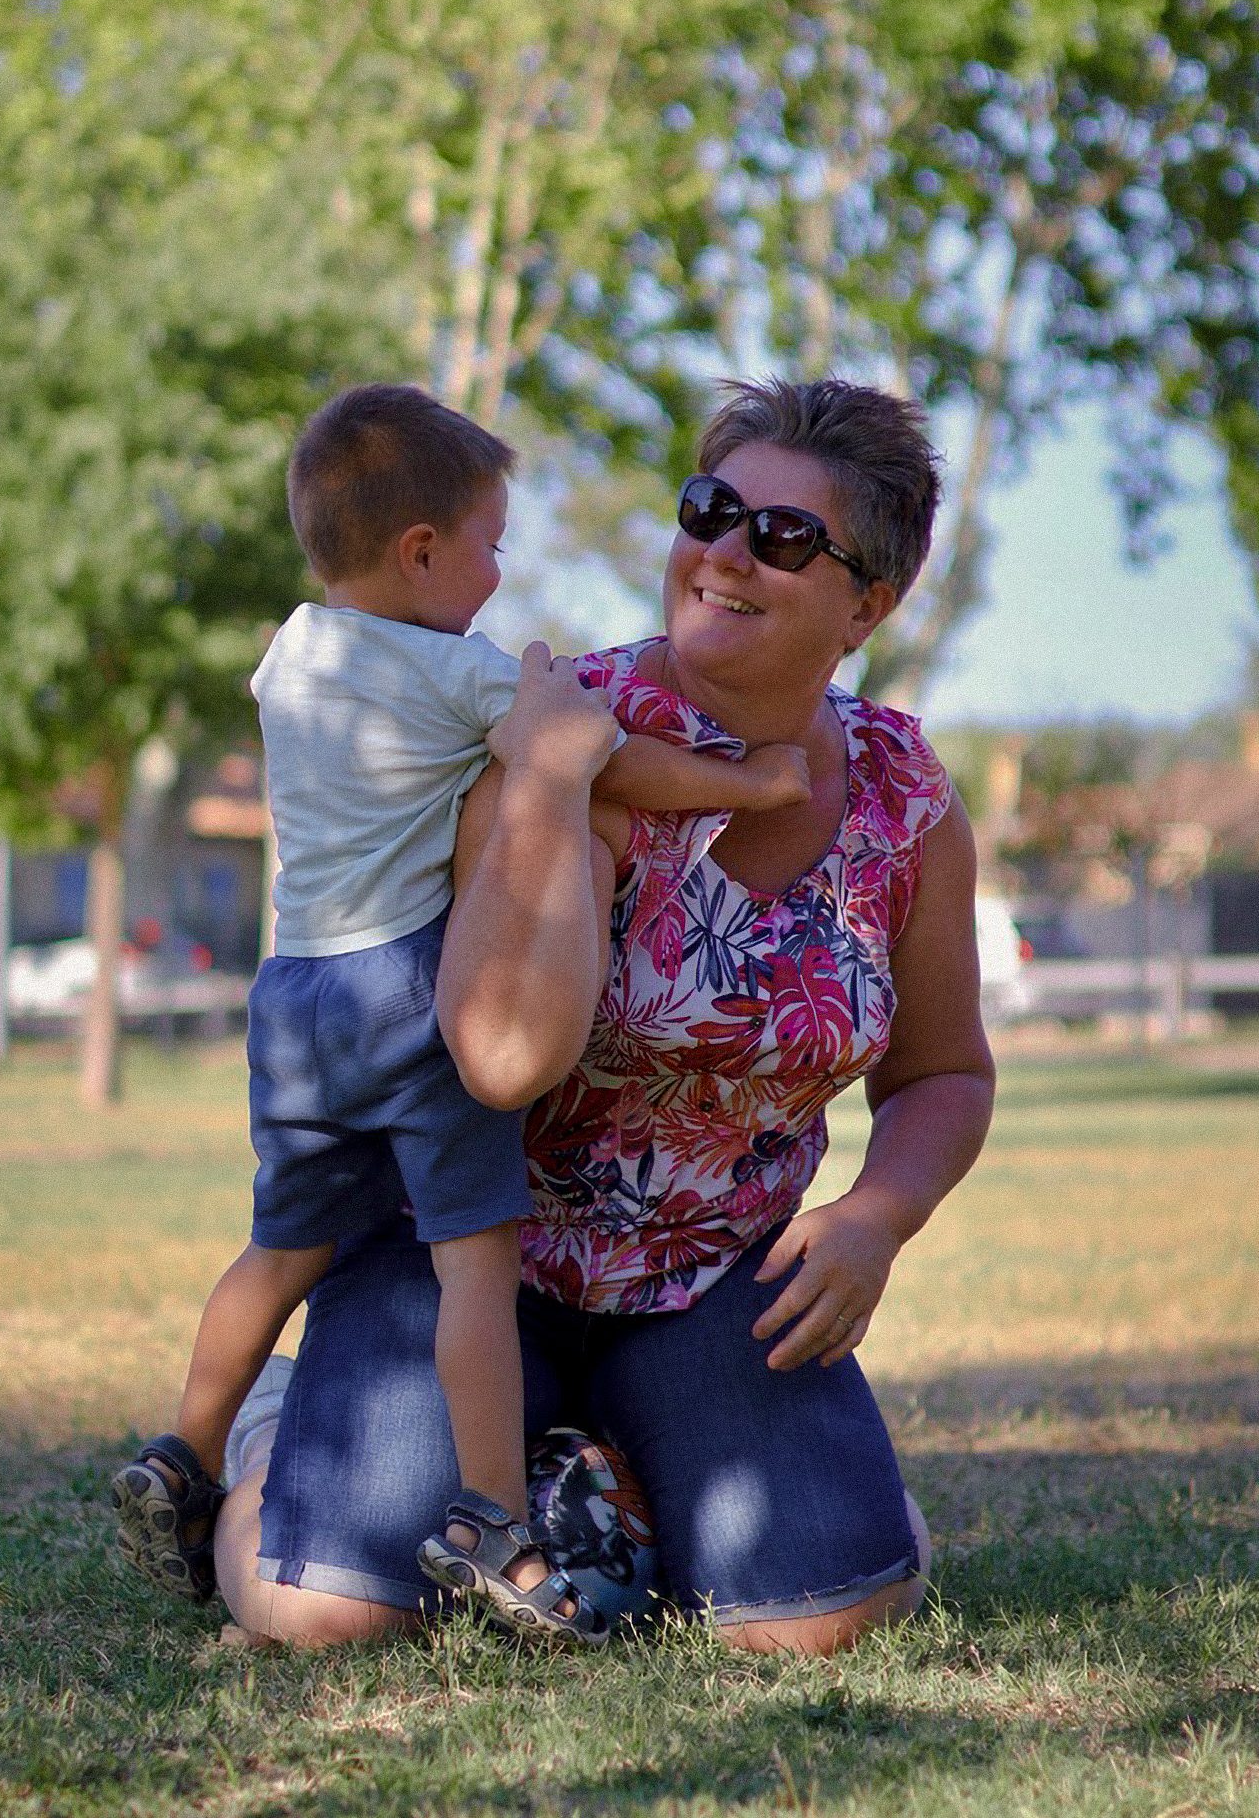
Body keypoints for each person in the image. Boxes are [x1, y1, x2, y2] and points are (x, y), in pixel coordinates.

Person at [211, 374, 996, 1655]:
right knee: (321, 1610)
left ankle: (641, 1460)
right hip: (460, 1253)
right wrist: (548, 786)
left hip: (710, 1274)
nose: (726, 552)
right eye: (711, 510)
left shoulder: (906, 795)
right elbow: (503, 1056)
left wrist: (874, 1217)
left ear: (869, 601)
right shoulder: (552, 721)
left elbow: (945, 1070)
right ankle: (277, 1433)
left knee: (820, 1618)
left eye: (784, 537)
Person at [111, 383, 811, 1644]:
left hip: (291, 997)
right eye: (489, 544)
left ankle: (183, 1447)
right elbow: (597, 758)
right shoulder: (454, 672)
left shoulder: (291, 652)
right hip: (397, 990)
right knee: (473, 1269)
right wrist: (746, 781)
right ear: (419, 551)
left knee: (279, 1248)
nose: (500, 571)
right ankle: (494, 1521)